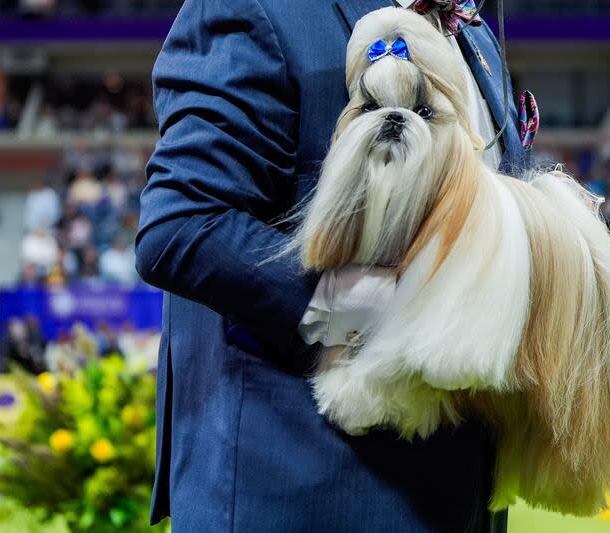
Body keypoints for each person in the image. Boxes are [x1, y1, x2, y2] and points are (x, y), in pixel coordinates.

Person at [135, 1, 526, 531]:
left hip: (464, 496)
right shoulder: (255, 7)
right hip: (307, 493)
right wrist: (387, 321)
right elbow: (183, 226)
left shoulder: (476, 36)